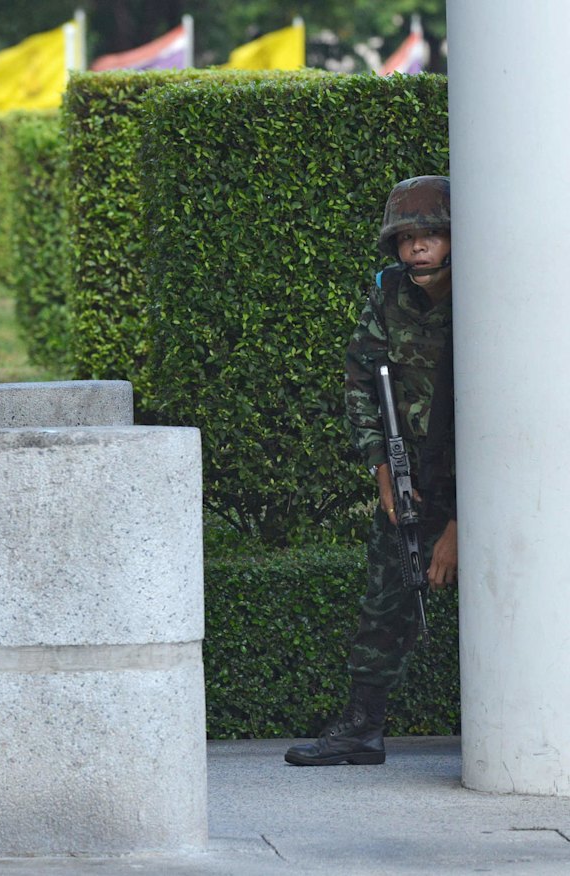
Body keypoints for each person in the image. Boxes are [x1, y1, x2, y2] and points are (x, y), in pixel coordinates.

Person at [285, 175, 457, 767]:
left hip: (490, 481)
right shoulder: (388, 296)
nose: (419, 248)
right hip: (414, 474)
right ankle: (362, 725)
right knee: (387, 596)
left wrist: (461, 526)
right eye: (407, 237)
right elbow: (362, 382)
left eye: (432, 234)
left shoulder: (487, 294)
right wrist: (383, 470)